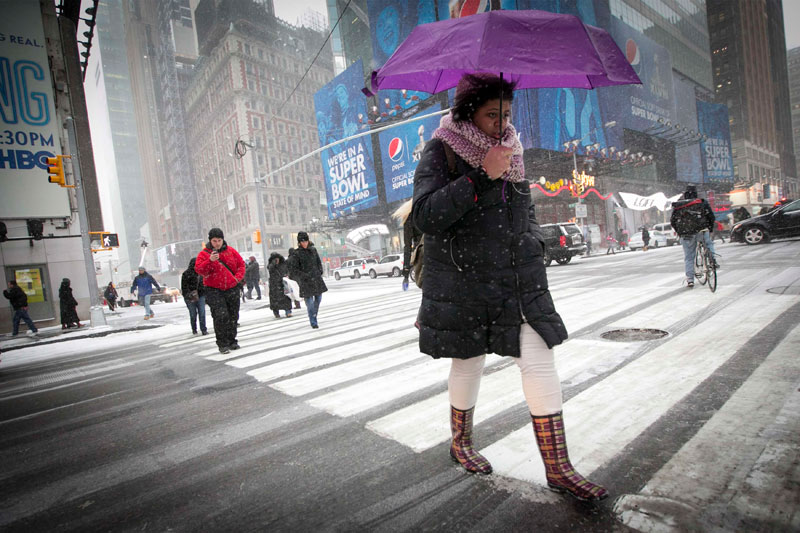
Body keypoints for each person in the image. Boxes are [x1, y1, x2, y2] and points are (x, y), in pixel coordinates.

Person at [410, 73, 607, 501]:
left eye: (506, 114)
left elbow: (524, 212)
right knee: (468, 362)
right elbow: (424, 215)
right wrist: (481, 175)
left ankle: (558, 467)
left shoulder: (512, 151)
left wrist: (532, 242)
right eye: (491, 115)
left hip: (516, 277)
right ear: (469, 113)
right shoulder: (441, 147)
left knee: (538, 358)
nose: (501, 124)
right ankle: (460, 443)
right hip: (464, 280)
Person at [195, 227, 246, 354]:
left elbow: (241, 265)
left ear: (223, 240)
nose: (217, 243)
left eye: (219, 240)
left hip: (232, 287)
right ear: (210, 241)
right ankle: (222, 343)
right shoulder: (204, 254)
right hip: (214, 290)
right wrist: (210, 261)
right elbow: (199, 270)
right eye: (214, 240)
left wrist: (236, 279)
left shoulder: (231, 251)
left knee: (233, 315)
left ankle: (232, 340)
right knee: (220, 316)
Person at [670, 185, 719, 288]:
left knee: (689, 257)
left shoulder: (679, 205)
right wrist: (709, 228)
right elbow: (711, 216)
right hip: (701, 230)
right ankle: (712, 260)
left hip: (686, 234)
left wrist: (680, 232)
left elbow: (673, 221)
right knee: (709, 243)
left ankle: (690, 279)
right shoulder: (701, 202)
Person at [287, 231, 327, 329]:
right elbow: (294, 269)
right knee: (309, 302)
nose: (304, 243)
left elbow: (318, 262)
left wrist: (319, 271)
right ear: (299, 242)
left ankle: (313, 315)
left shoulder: (313, 250)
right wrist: (303, 276)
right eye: (302, 241)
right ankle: (313, 321)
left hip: (316, 278)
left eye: (306, 241)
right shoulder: (297, 254)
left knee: (318, 298)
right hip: (306, 281)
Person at [393, 199, 423, 291]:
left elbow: (407, 247)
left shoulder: (409, 218)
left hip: (423, 254)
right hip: (438, 250)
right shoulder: (428, 209)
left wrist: (406, 272)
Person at [180, 257, 208, 335]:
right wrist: (188, 294)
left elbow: (204, 284)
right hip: (190, 296)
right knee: (194, 314)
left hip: (200, 295)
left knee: (200, 313)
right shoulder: (186, 274)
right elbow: (184, 286)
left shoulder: (201, 272)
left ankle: (203, 329)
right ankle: (195, 329)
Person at [267, 252, 293, 318]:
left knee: (286, 297)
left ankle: (288, 311)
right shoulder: (271, 265)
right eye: (275, 259)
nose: (277, 260)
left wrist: (287, 276)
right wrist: (273, 263)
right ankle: (276, 312)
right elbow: (270, 269)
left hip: (283, 284)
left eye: (277, 258)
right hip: (274, 285)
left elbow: (287, 271)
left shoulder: (283, 264)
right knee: (275, 300)